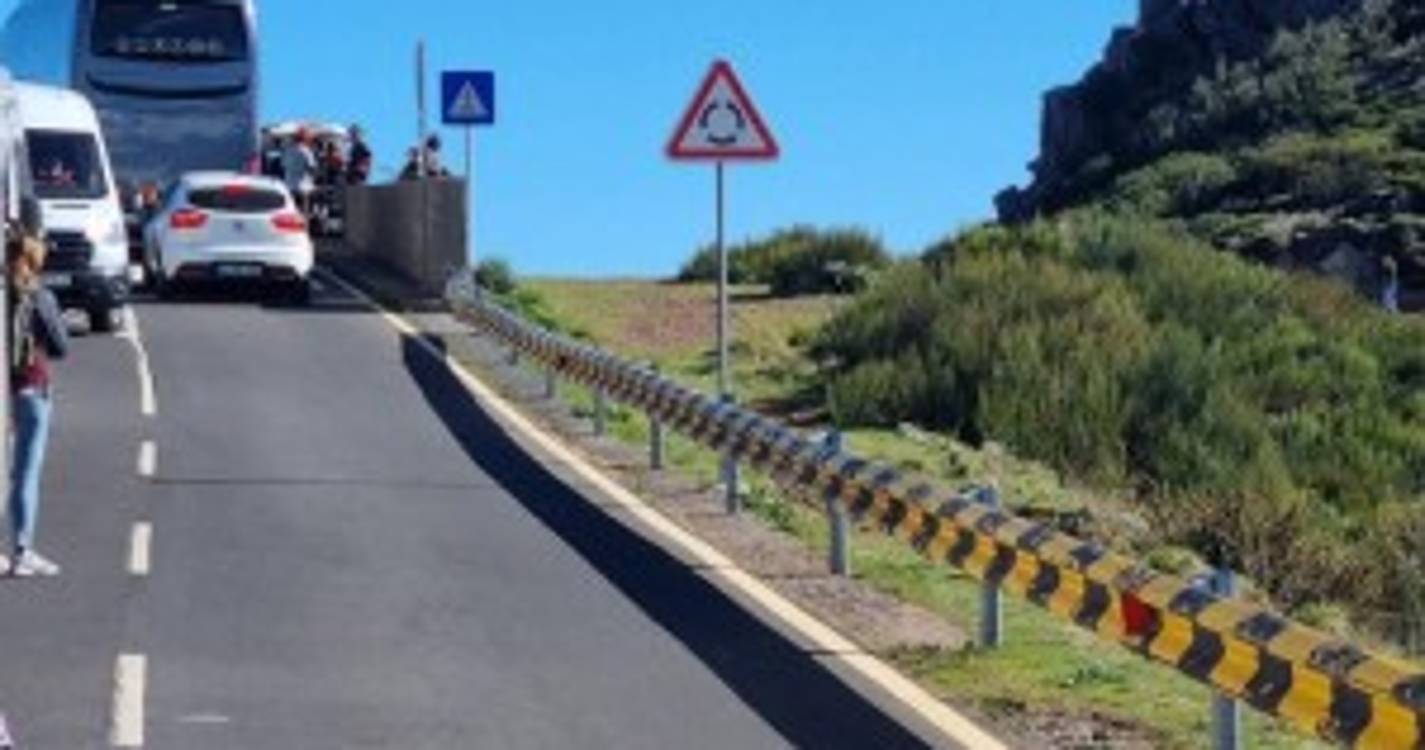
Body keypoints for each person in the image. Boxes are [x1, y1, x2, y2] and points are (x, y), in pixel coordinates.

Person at [4, 207, 69, 578]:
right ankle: (22, 549)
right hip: (31, 386)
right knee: (25, 472)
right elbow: (60, 346)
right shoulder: (37, 295)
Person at [282, 129, 317, 216]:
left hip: (289, 186)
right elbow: (312, 167)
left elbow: (283, 166)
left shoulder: (288, 150)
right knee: (303, 215)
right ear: (305, 139)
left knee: (291, 215)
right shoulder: (306, 151)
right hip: (303, 188)